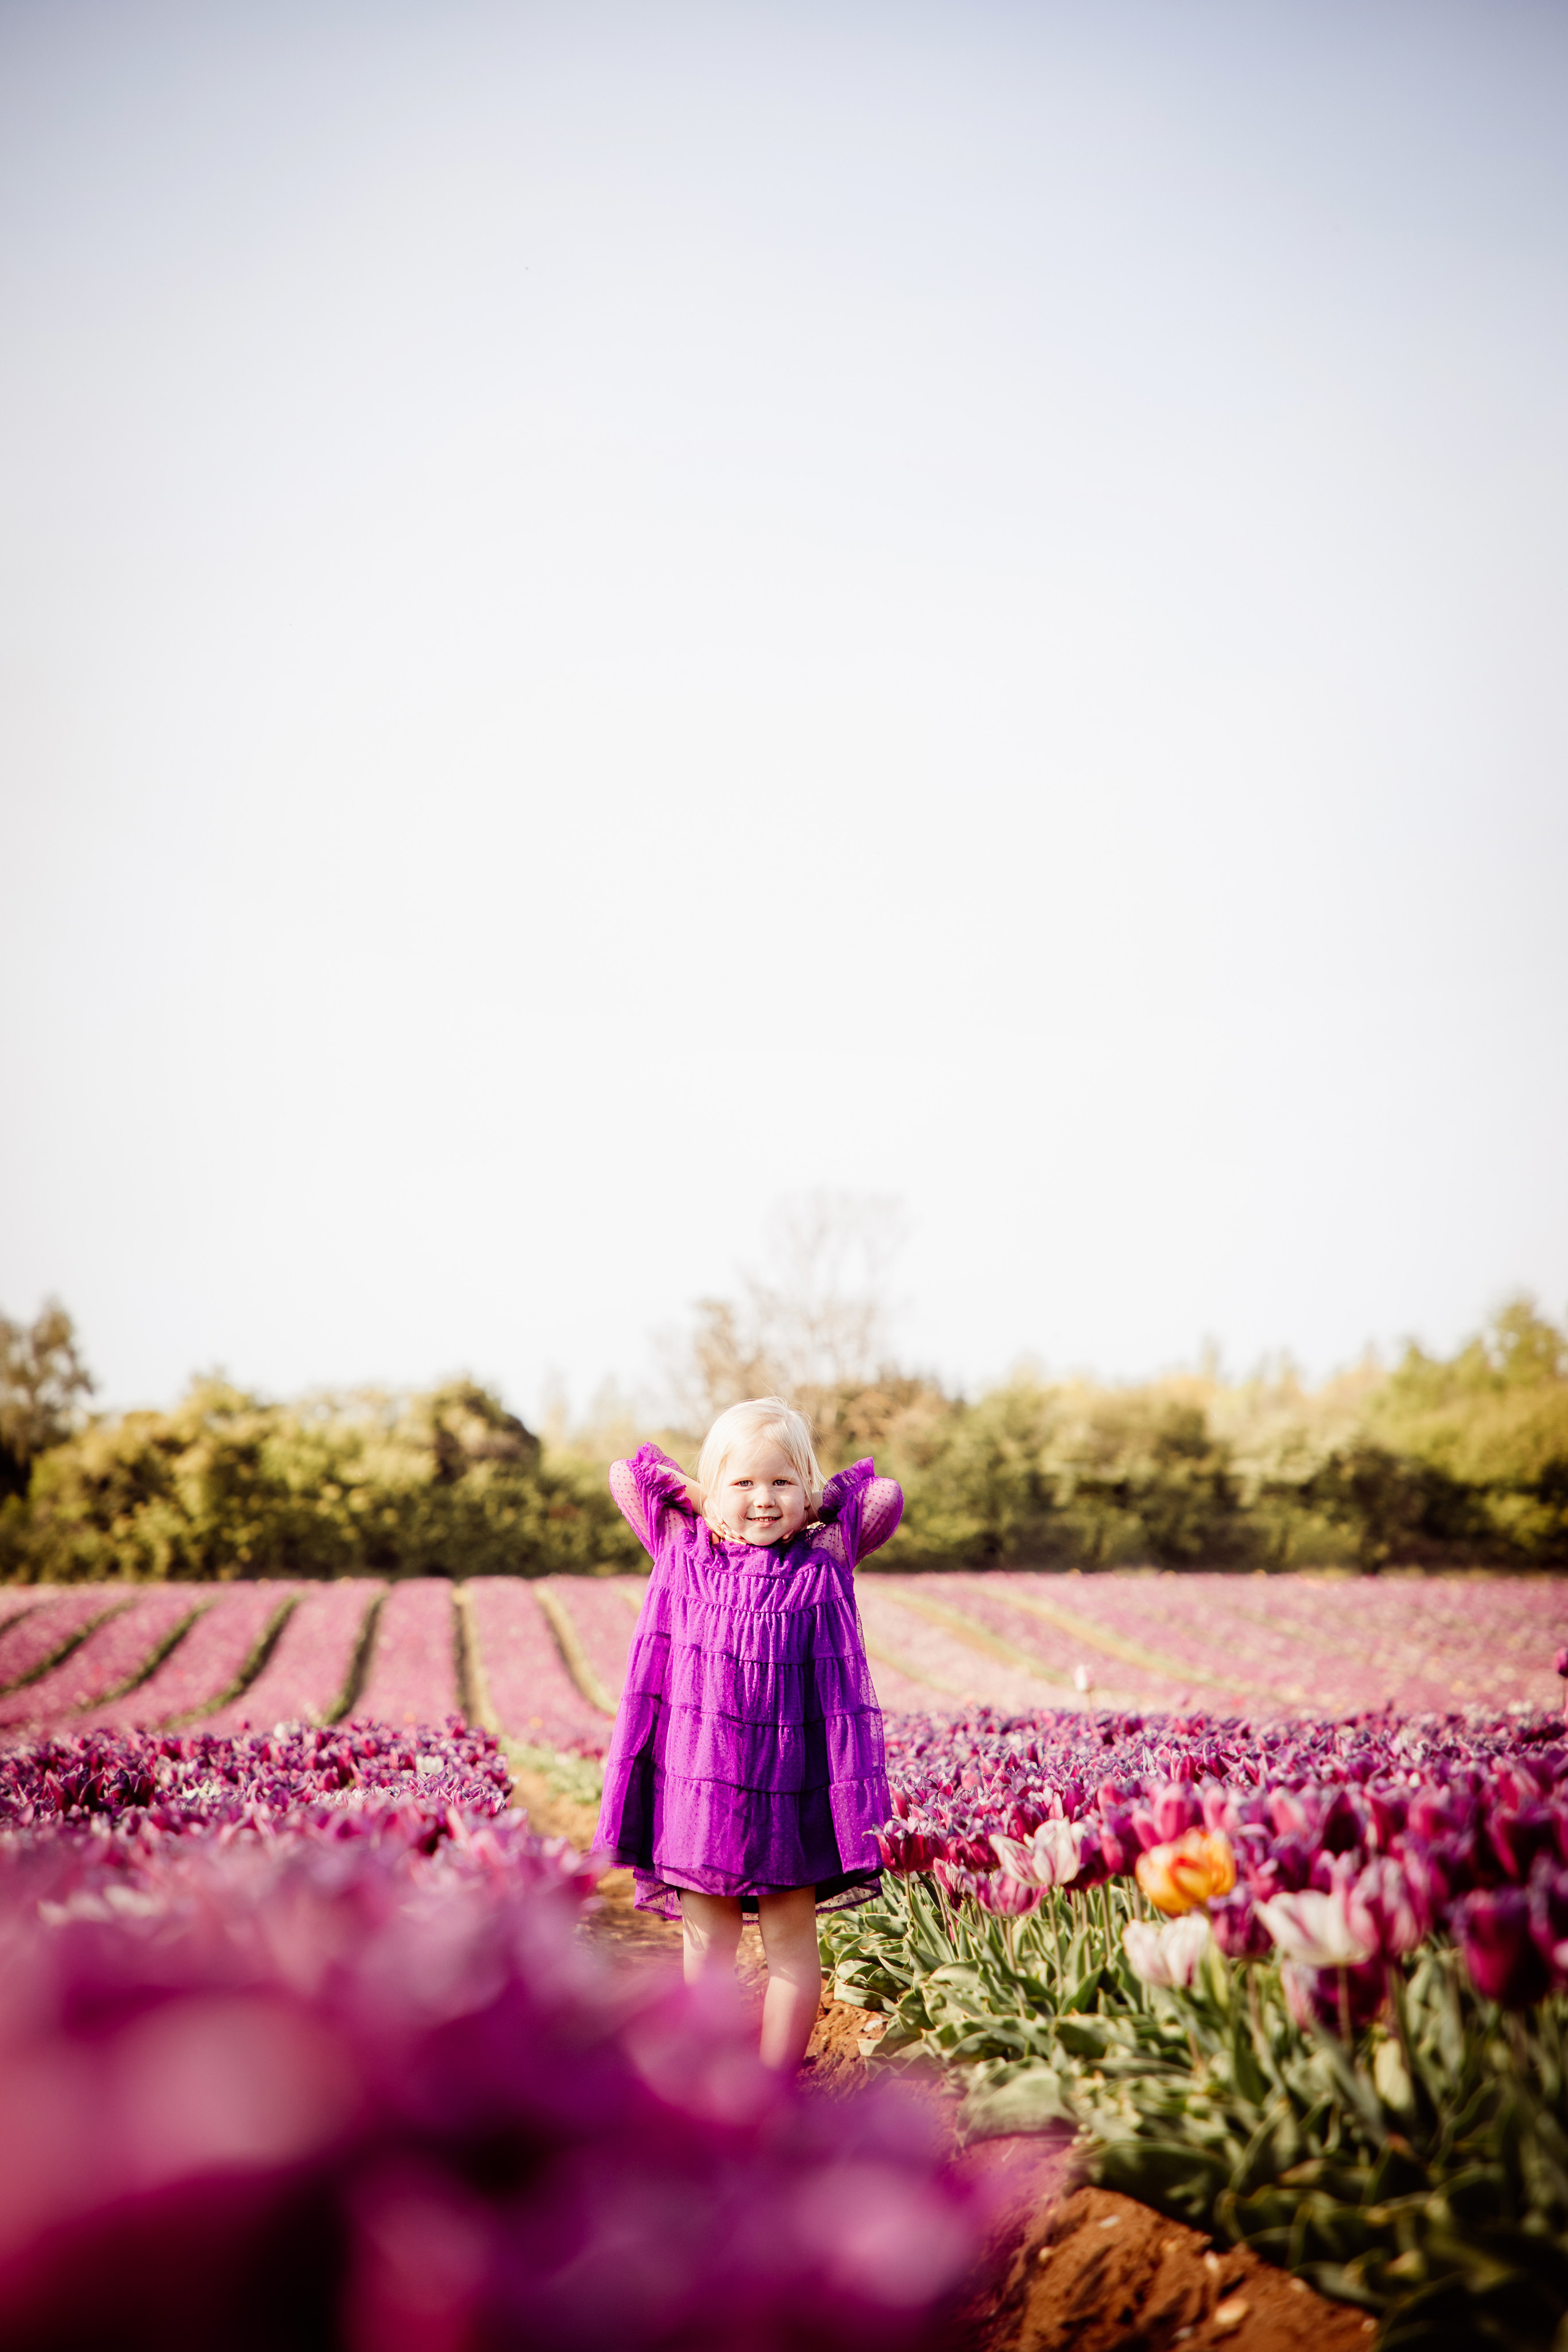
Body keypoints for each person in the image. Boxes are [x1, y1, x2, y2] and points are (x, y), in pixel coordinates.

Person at [594, 1396, 902, 2070]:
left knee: (792, 1951)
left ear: (808, 1489)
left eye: (781, 1483)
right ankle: (707, 2084)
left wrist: (814, 1504)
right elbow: (626, 1475)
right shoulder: (682, 1546)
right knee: (708, 1948)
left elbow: (883, 1496)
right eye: (744, 1483)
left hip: (790, 1795)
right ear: (712, 1491)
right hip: (701, 1796)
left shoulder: (821, 1558)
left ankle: (772, 2089)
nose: (763, 1499)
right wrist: (707, 1499)